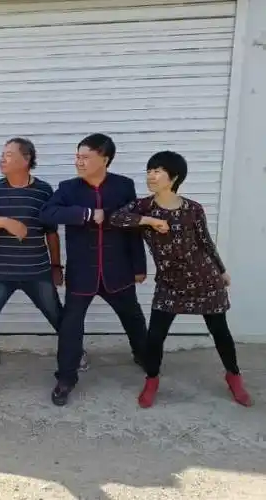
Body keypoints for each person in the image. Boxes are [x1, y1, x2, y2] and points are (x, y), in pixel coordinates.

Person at [109, 151, 252, 408]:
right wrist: (150, 220)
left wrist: (221, 270)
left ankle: (234, 377)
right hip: (169, 283)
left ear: (174, 177)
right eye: (149, 171)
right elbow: (115, 219)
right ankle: (152, 380)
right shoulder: (143, 207)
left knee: (220, 332)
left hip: (205, 279)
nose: (151, 176)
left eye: (157, 171)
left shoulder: (193, 209)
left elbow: (205, 242)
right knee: (155, 336)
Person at [40, 133, 148, 407]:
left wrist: (139, 266)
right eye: (77, 156)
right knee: (71, 326)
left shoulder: (123, 186)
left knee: (133, 317)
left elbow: (133, 227)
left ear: (105, 159)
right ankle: (66, 378)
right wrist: (85, 214)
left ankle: (144, 356)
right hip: (82, 273)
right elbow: (47, 214)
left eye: (85, 157)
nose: (79, 162)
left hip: (118, 270)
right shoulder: (68, 188)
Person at [0, 138, 66, 409]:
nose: (2, 158)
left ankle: (75, 355)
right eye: (2, 154)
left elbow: (51, 233)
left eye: (9, 154)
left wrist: (56, 267)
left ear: (26, 159)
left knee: (59, 318)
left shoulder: (43, 191)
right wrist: (5, 222)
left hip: (37, 272)